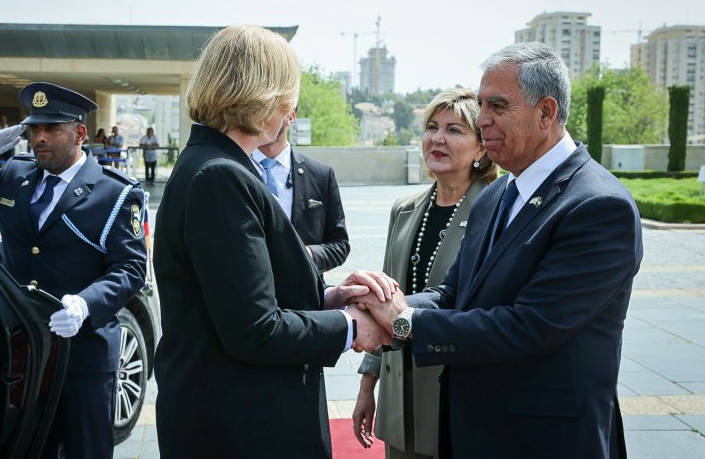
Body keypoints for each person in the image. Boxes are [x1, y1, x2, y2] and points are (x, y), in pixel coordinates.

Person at [354, 42, 643, 458]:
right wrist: (381, 304)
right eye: (481, 103)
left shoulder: (597, 206)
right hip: (475, 431)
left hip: (545, 441)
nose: (483, 119)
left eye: (498, 105)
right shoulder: (499, 194)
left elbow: (529, 326)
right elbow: (453, 294)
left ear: (546, 113)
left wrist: (404, 322)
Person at [153, 25, 392, 458]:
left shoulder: (213, 165)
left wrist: (329, 298)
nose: (290, 110)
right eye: (289, 97)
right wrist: (352, 326)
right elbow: (254, 330)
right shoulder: (221, 176)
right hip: (243, 426)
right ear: (270, 98)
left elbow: (238, 298)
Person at [0, 82, 148, 459]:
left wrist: (85, 304)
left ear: (80, 133)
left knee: (86, 451)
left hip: (85, 352)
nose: (40, 139)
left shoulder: (114, 192)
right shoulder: (14, 176)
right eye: (34, 129)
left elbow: (131, 268)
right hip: (28, 352)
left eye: (52, 129)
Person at [352, 88, 498, 458]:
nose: (437, 138)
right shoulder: (404, 209)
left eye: (454, 129)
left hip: (457, 391)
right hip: (400, 394)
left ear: (481, 147)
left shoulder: (495, 209)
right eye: (432, 127)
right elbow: (382, 302)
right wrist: (368, 385)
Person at [254, 109, 350, 273]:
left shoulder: (321, 174)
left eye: (269, 109)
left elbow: (340, 244)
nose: (260, 116)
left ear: (290, 117)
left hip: (307, 293)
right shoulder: (231, 170)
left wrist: (307, 254)